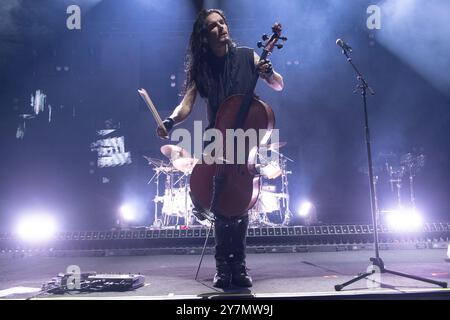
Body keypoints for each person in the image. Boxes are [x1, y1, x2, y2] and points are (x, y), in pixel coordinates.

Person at [157, 9, 284, 288]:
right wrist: (169, 120)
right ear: (204, 36)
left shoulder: (247, 55)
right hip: (215, 142)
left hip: (244, 143)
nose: (221, 28)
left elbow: (277, 85)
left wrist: (269, 71)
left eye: (223, 22)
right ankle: (221, 267)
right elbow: (186, 105)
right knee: (218, 206)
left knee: (239, 206)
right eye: (214, 26)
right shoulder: (202, 69)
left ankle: (238, 265)